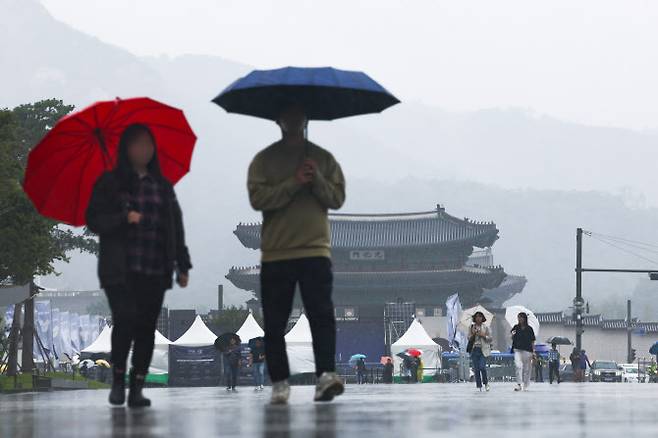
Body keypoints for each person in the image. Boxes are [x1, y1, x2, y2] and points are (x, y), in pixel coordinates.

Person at [86, 123, 191, 408]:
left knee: (146, 328)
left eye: (148, 144)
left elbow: (175, 226)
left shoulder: (163, 186)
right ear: (126, 148)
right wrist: (123, 218)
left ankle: (137, 386)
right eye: (137, 144)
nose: (143, 149)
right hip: (120, 268)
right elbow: (93, 220)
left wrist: (183, 265)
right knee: (125, 319)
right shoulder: (110, 183)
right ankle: (118, 380)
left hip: (155, 267)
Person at [247, 103, 346, 404]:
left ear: (305, 118)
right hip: (277, 252)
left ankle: (326, 375)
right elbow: (258, 199)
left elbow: (337, 198)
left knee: (321, 315)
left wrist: (315, 178)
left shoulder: (323, 159)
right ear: (278, 119)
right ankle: (279, 381)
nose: (292, 119)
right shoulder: (263, 161)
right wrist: (294, 182)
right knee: (275, 321)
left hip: (315, 248)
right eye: (286, 113)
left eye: (298, 113)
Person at [510, 312, 535, 391]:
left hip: (527, 351)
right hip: (517, 349)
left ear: (525, 318)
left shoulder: (529, 329)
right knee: (518, 366)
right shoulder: (515, 327)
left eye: (521, 317)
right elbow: (512, 336)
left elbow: (532, 340)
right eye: (518, 317)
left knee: (527, 369)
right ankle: (519, 384)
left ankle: (526, 384)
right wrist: (513, 335)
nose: (520, 319)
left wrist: (533, 351)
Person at [468, 311, 492, 392]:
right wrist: (473, 334)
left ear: (482, 318)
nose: (478, 318)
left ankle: (486, 383)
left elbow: (490, 338)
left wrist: (483, 335)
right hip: (474, 350)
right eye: (477, 316)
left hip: (483, 350)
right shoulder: (471, 327)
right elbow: (469, 338)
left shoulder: (486, 327)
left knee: (482, 367)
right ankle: (479, 385)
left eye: (480, 316)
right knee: (476, 369)